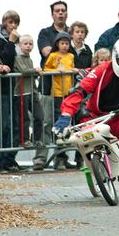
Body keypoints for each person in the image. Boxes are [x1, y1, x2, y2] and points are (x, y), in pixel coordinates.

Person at [53, 36, 119, 183]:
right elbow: (78, 92)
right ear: (116, 58)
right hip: (97, 118)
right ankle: (94, 159)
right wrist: (65, 116)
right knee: (82, 124)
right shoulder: (102, 70)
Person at [37, 0, 69, 168]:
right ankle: (41, 158)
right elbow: (46, 51)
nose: (60, 13)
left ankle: (61, 158)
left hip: (67, 88)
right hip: (48, 87)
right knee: (47, 122)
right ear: (52, 14)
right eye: (57, 11)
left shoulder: (71, 32)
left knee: (63, 124)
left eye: (63, 10)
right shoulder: (44, 33)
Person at [0, 10, 22, 172]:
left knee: (14, 125)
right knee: (2, 124)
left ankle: (9, 160)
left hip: (14, 88)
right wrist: (10, 42)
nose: (13, 25)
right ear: (4, 23)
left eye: (16, 22)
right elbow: (4, 59)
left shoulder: (19, 40)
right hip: (1, 88)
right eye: (10, 22)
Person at [43, 32, 79, 170]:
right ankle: (59, 158)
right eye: (62, 43)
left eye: (67, 43)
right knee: (59, 123)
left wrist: (73, 70)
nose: (64, 46)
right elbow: (46, 68)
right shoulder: (53, 55)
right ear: (57, 44)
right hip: (57, 93)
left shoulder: (71, 56)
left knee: (70, 125)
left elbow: (72, 68)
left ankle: (66, 157)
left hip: (69, 93)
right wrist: (55, 70)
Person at [14, 34, 45, 169]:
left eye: (30, 44)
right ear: (20, 46)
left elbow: (30, 73)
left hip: (32, 91)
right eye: (25, 44)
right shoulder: (18, 58)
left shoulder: (30, 58)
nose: (28, 46)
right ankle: (25, 140)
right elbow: (24, 71)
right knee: (24, 118)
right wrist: (36, 70)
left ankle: (36, 139)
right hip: (21, 92)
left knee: (39, 116)